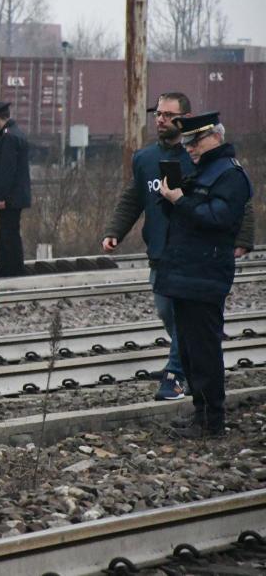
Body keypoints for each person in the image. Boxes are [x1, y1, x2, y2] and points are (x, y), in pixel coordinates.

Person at [102, 92, 255, 402]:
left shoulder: (200, 159)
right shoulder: (145, 159)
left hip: (193, 254)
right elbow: (133, 198)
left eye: (169, 115)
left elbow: (239, 201)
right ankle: (190, 365)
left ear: (184, 119)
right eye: (158, 114)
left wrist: (243, 238)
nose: (161, 120)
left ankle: (176, 375)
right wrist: (114, 231)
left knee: (187, 316)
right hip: (160, 250)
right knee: (168, 312)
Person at [155, 111, 252, 438]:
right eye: (186, 143)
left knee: (205, 350)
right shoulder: (202, 171)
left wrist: (181, 201)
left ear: (215, 136)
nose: (190, 148)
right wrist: (170, 199)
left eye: (194, 141)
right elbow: (188, 218)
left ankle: (213, 421)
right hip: (186, 273)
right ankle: (200, 412)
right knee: (191, 351)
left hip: (205, 274)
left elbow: (218, 219)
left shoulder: (230, 175)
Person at [0, 98, 31, 278]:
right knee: (10, 230)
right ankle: (9, 267)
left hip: (10, 197)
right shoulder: (15, 133)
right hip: (17, 196)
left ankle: (11, 269)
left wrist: (1, 196)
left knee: (7, 232)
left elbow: (7, 169)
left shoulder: (9, 137)